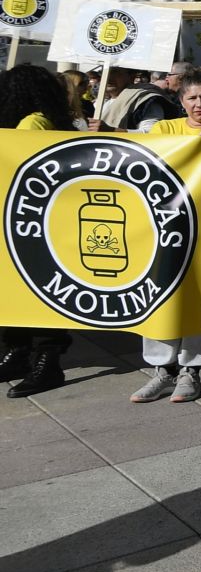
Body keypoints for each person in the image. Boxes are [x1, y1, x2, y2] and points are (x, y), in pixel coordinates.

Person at [129, 70, 201, 404]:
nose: (199, 104)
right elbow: (146, 154)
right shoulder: (166, 129)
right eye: (192, 98)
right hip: (164, 230)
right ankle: (161, 370)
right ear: (181, 102)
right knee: (159, 294)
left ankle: (190, 370)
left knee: (200, 295)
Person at [0, 65, 78, 397]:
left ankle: (47, 360)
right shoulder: (46, 120)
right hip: (32, 221)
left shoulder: (31, 124)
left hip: (29, 221)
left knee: (35, 288)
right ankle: (18, 353)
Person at [93, 66, 180, 132]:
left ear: (131, 76)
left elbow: (151, 133)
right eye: (104, 71)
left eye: (115, 72)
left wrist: (112, 131)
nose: (108, 77)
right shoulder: (99, 103)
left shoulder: (144, 100)